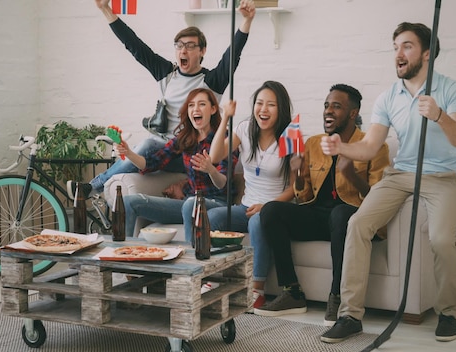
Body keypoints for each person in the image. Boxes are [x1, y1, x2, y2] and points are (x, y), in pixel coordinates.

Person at [320, 22, 456, 343]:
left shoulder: (451, 90)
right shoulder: (389, 96)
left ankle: (449, 312)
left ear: (427, 54)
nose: (398, 54)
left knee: (443, 239)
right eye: (395, 48)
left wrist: (440, 115)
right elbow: (370, 147)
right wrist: (341, 147)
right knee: (359, 223)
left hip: (442, 175)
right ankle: (350, 315)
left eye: (406, 46)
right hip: (400, 174)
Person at [66, 0, 256, 200]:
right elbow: (135, 47)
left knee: (148, 144)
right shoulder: (167, 74)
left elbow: (233, 55)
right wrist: (106, 10)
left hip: (189, 153)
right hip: (165, 152)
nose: (183, 51)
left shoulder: (211, 81)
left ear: (202, 51)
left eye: (191, 46)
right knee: (148, 145)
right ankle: (95, 189)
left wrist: (246, 21)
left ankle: (92, 187)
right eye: (179, 46)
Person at [253, 84, 390, 325]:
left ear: (352, 113)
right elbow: (305, 199)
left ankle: (337, 296)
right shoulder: (314, 144)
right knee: (272, 210)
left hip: (352, 219)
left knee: (339, 214)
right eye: (326, 105)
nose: (328, 111)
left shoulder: (373, 147)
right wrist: (298, 176)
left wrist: (353, 177)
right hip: (320, 218)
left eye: (336, 106)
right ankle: (292, 292)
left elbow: (379, 200)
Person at [199, 80, 296, 309]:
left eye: (270, 105)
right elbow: (215, 156)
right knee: (212, 218)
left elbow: (295, 189)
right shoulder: (244, 129)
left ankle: (257, 289)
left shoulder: (291, 136)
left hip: (273, 210)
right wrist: (225, 118)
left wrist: (267, 206)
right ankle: (214, 279)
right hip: (245, 207)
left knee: (256, 224)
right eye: (259, 103)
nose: (263, 109)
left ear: (281, 108)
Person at [115, 88, 234, 237]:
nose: (195, 109)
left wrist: (211, 170)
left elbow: (224, 183)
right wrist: (129, 153)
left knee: (192, 203)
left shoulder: (226, 138)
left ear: (213, 109)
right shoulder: (185, 138)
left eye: (202, 104)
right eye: (191, 105)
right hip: (187, 204)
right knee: (129, 202)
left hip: (216, 203)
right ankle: (123, 254)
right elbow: (152, 163)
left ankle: (193, 256)